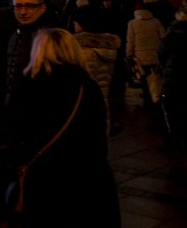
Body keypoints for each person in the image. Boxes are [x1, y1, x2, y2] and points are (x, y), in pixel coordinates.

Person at [7, 29, 120, 227]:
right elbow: (99, 134)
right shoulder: (87, 86)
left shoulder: (26, 86)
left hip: (42, 178)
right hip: (85, 176)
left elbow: (12, 133)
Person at [159, 0, 187, 147]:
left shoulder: (171, 34)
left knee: (173, 106)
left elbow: (161, 53)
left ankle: (176, 135)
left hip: (174, 74)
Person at [127, 7, 166, 107]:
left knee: (144, 78)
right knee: (156, 77)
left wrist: (128, 53)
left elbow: (130, 40)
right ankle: (157, 96)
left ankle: (147, 99)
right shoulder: (156, 21)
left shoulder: (132, 23)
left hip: (140, 56)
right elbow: (163, 36)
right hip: (155, 54)